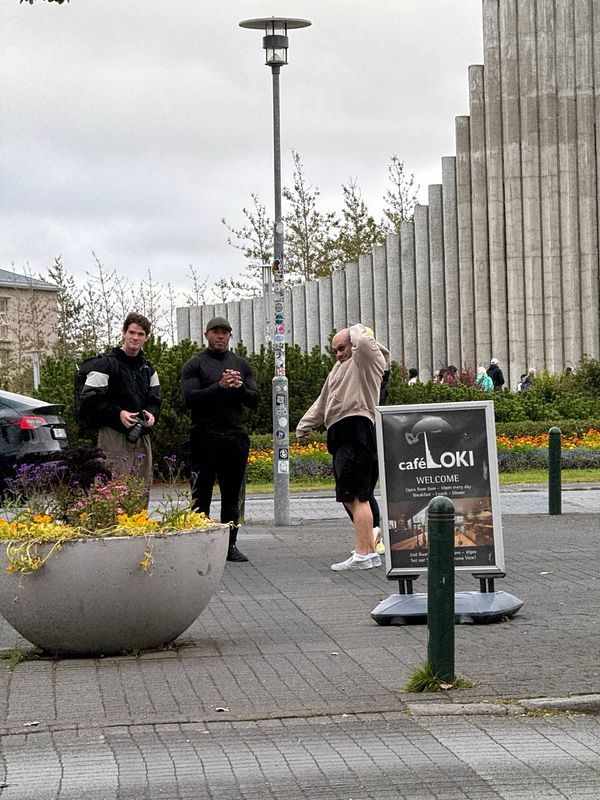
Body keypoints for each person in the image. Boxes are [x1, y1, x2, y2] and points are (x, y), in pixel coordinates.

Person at [296, 323, 390, 571]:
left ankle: (364, 553)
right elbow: (323, 401)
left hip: (356, 429)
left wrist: (356, 329)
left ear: (354, 344)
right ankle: (367, 549)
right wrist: (304, 425)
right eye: (334, 350)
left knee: (357, 497)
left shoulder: (366, 363)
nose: (338, 354)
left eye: (342, 347)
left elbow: (368, 347)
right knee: (353, 496)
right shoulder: (338, 370)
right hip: (340, 433)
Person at [181, 316, 260, 563]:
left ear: (230, 336)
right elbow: (189, 398)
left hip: (234, 436)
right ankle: (200, 543)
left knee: (231, 494)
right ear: (206, 335)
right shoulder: (195, 364)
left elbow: (255, 399)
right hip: (204, 435)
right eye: (215, 332)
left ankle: (230, 545)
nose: (220, 336)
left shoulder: (241, 364)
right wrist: (219, 386)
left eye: (225, 332)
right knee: (201, 492)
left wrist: (238, 388)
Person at [79, 312, 162, 491]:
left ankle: (139, 521)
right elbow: (88, 400)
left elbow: (156, 400)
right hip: (113, 436)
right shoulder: (105, 365)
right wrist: (118, 413)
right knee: (112, 491)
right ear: (124, 333)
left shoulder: (148, 369)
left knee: (140, 490)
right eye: (131, 332)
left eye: (140, 334)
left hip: (141, 437)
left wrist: (151, 413)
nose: (135, 337)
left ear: (146, 338)